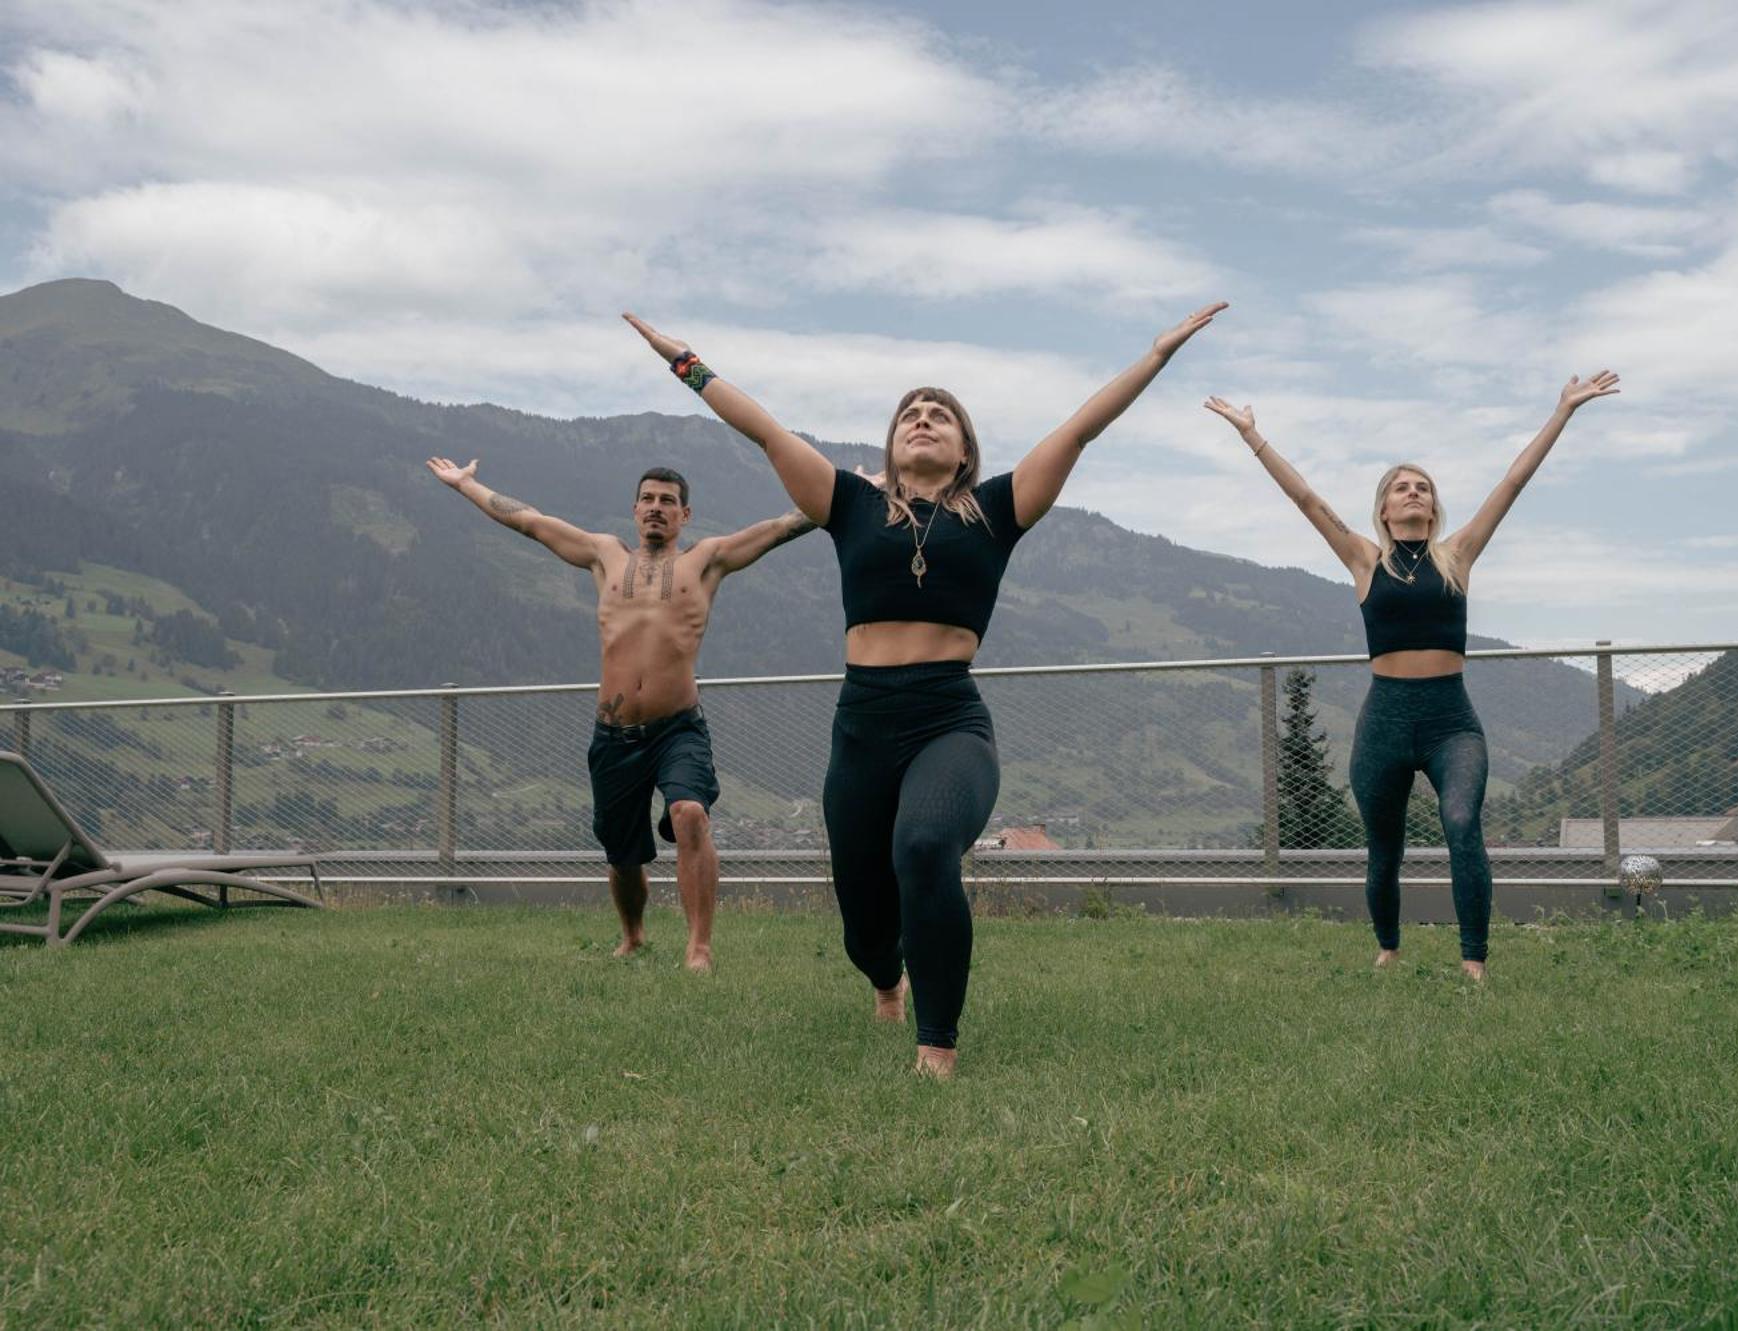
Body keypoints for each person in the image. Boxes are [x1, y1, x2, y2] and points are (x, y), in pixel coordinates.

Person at [625, 303, 1226, 1076]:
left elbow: (1079, 430)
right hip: (862, 723)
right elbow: (765, 430)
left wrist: (1156, 354)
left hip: (949, 718)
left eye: (941, 413)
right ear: (893, 440)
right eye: (911, 412)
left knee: (925, 845)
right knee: (864, 924)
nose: (924, 418)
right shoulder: (848, 504)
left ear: (965, 446)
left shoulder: (997, 511)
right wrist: (687, 362)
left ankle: (937, 1043)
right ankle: (887, 979)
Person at [1204, 371, 1620, 979]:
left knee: (1460, 824)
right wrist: (1252, 435)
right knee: (1385, 849)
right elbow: (1308, 502)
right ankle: (1389, 949)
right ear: (1383, 506)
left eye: (1422, 486)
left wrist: (1563, 412)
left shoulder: (1458, 555)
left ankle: (1474, 962)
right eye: (1401, 487)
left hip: (1452, 719)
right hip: (1386, 719)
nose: (1414, 493)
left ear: (1433, 503)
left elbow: (1514, 481)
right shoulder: (1363, 559)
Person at [425, 457, 815, 969]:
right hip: (614, 735)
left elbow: (783, 526)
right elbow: (529, 521)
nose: (657, 508)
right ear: (635, 510)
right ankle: (633, 936)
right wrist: (467, 485)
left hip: (679, 727)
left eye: (668, 501)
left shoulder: (706, 561)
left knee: (690, 813)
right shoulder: (604, 556)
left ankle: (699, 947)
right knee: (622, 853)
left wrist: (851, 490)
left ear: (685, 514)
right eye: (648, 500)